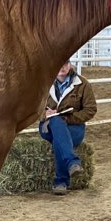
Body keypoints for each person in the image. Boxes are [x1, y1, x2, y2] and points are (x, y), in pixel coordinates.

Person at [38, 61, 97, 195]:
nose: (61, 66)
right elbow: (33, 107)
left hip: (74, 127)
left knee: (59, 139)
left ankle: (61, 182)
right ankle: (71, 163)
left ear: (70, 65)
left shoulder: (83, 84)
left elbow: (91, 109)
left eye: (65, 63)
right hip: (47, 127)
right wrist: (44, 113)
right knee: (56, 122)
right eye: (59, 62)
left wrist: (70, 118)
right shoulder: (43, 83)